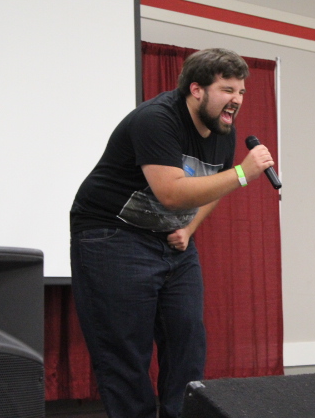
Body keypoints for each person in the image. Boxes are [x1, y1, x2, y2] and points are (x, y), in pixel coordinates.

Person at [70, 48, 275, 418]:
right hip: (112, 235)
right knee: (126, 353)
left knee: (188, 342)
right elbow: (171, 192)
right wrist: (243, 173)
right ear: (196, 89)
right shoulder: (157, 119)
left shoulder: (223, 132)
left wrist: (189, 227)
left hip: (170, 240)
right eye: (228, 90)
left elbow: (214, 185)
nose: (237, 100)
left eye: (241, 91)